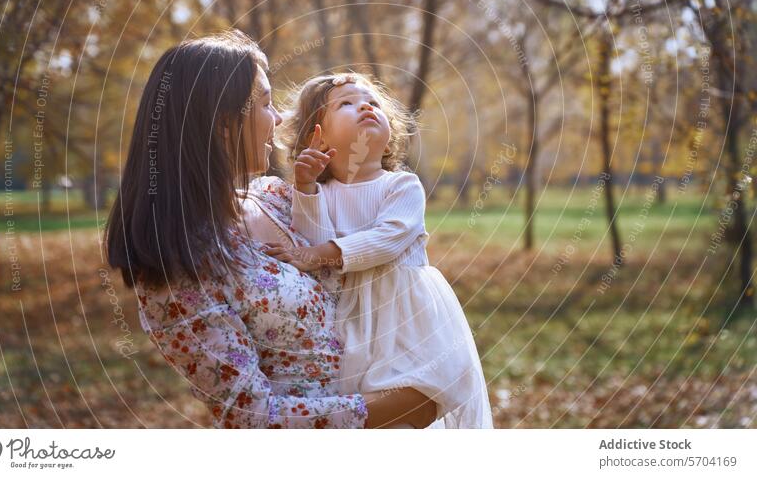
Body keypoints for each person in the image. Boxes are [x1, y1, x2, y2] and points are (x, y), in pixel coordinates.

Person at [105, 32, 437, 428]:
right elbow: (252, 419)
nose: (278, 119)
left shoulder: (278, 197)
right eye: (265, 103)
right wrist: (399, 407)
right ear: (222, 122)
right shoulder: (178, 268)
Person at [265, 72, 493, 428]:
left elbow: (389, 238)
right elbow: (311, 239)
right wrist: (306, 187)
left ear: (389, 141)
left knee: (405, 409)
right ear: (316, 135)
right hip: (349, 320)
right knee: (364, 408)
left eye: (372, 102)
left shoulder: (402, 186)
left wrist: (319, 253)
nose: (366, 106)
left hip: (404, 320)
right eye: (346, 103)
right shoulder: (320, 194)